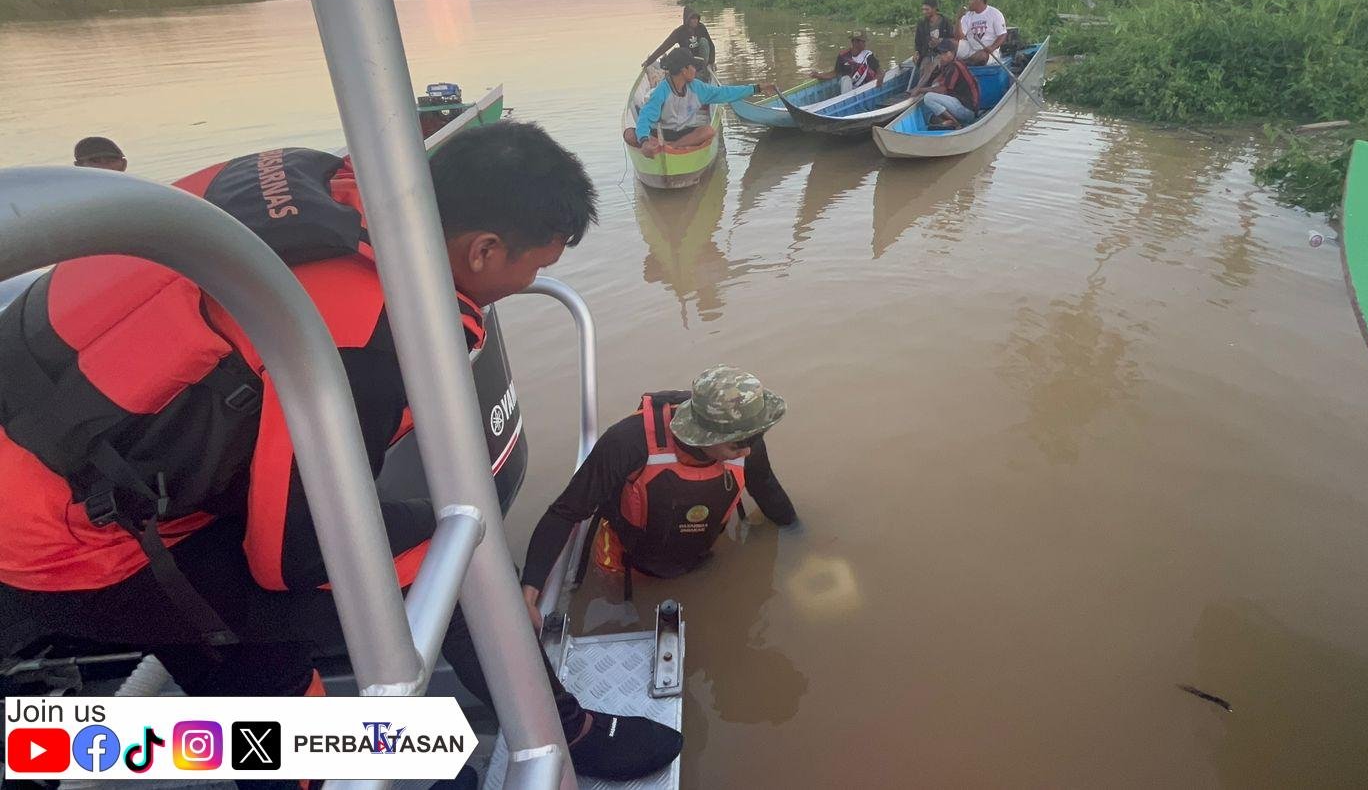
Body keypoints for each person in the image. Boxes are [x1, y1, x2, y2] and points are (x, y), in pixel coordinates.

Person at [0, 122, 682, 782]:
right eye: (536, 266)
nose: (531, 281)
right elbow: (293, 557)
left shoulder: (311, 178)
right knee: (424, 572)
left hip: (66, 448)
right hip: (69, 537)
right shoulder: (369, 332)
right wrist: (451, 547)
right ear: (482, 250)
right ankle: (561, 732)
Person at [520, 365, 796, 605]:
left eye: (755, 438)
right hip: (625, 570)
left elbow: (767, 488)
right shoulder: (627, 444)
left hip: (702, 559)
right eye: (738, 445)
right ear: (705, 436)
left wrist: (797, 536)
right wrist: (529, 593)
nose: (748, 451)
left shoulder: (746, 441)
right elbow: (565, 512)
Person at [628, 47, 776, 158]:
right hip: (662, 133)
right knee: (629, 134)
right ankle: (667, 147)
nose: (695, 70)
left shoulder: (697, 87)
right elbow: (645, 117)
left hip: (686, 134)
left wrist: (757, 88)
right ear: (684, 70)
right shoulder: (662, 91)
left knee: (708, 131)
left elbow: (725, 93)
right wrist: (645, 141)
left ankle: (671, 147)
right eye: (692, 66)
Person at [910, 38, 981, 130]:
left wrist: (920, 90)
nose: (940, 56)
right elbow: (938, 81)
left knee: (928, 97)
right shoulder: (951, 64)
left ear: (950, 53)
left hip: (968, 110)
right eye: (939, 54)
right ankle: (947, 121)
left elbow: (943, 89)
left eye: (943, 54)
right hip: (963, 106)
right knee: (931, 113)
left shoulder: (955, 66)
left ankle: (956, 124)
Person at [642, 6, 716, 71]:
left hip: (701, 60)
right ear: (687, 20)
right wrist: (649, 61)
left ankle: (704, 69)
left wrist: (712, 62)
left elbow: (711, 45)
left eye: (696, 18)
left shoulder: (701, 27)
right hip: (687, 60)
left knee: (704, 41)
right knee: (677, 52)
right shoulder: (679, 32)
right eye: (692, 18)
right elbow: (664, 47)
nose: (695, 20)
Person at [810, 32, 882, 91]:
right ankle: (846, 98)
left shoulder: (868, 55)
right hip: (850, 88)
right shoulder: (843, 56)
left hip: (865, 88)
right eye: (862, 41)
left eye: (864, 41)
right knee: (846, 79)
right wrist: (819, 75)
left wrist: (878, 79)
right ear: (854, 42)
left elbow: (880, 72)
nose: (864, 44)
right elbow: (835, 73)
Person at [956, 0, 1008, 66]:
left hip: (988, 50)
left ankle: (962, 63)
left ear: (980, 0)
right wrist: (958, 19)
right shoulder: (967, 15)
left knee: (981, 56)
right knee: (952, 45)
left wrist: (992, 47)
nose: (969, 2)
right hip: (971, 47)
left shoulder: (995, 14)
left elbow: (1002, 35)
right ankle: (964, 62)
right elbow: (959, 37)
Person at [913, 0, 955, 83]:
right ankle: (923, 87)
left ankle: (922, 87)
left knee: (934, 66)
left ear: (934, 9)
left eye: (927, 9)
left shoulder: (945, 22)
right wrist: (916, 53)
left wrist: (940, 41)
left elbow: (952, 40)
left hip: (942, 53)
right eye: (923, 10)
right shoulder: (921, 23)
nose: (924, 12)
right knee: (924, 67)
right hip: (927, 54)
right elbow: (918, 43)